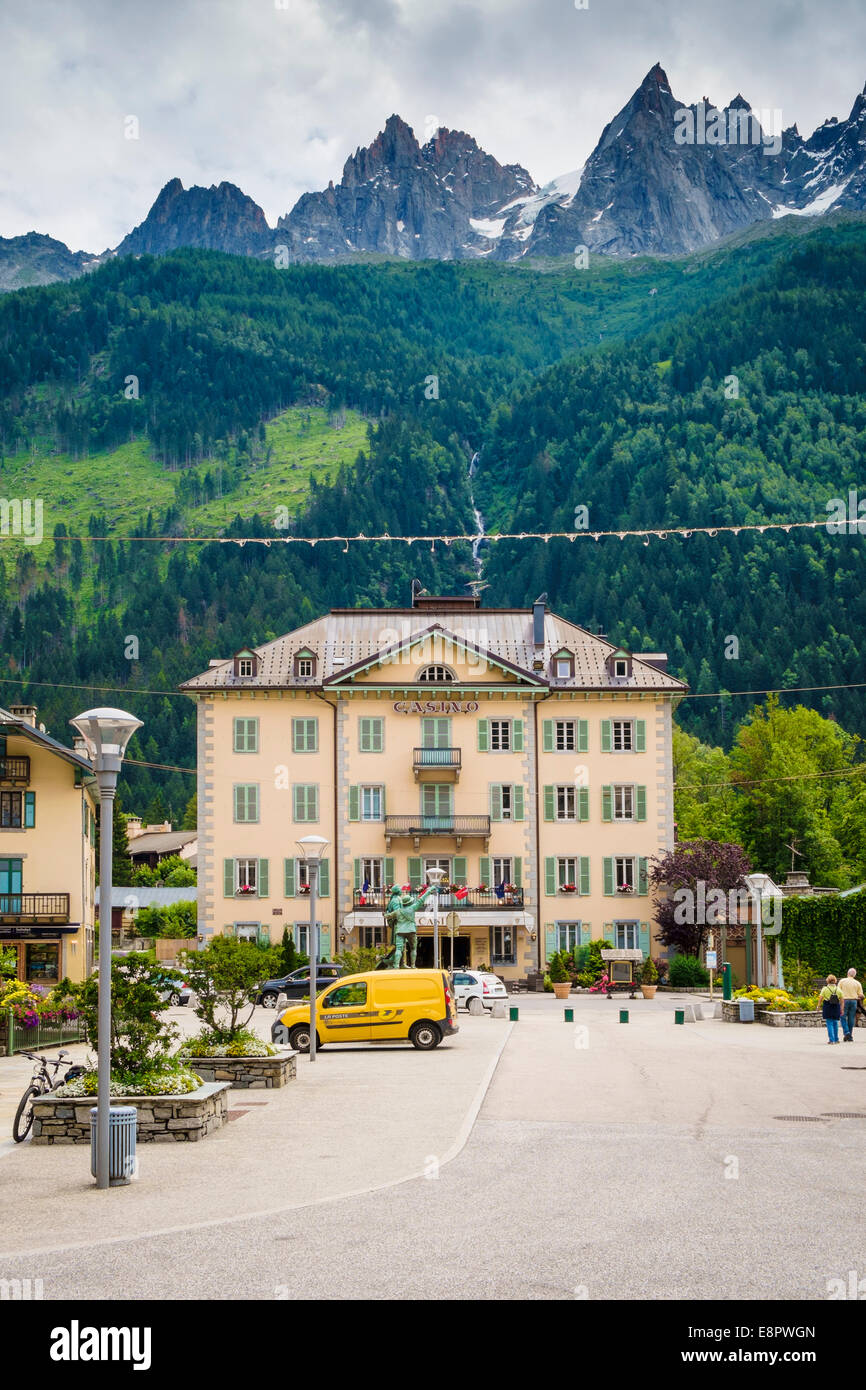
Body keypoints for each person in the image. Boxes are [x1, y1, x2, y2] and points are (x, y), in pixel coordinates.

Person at [838, 968, 864, 1042]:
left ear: (847, 973)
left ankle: (847, 1032)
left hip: (844, 1001)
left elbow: (838, 991)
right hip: (854, 1001)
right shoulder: (857, 983)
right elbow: (861, 995)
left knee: (842, 1017)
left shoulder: (842, 981)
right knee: (851, 1018)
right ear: (854, 975)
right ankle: (849, 1036)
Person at [819, 975, 843, 1044]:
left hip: (827, 1006)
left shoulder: (825, 989)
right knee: (835, 1023)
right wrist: (842, 1008)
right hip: (836, 1006)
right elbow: (842, 1000)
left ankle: (831, 1040)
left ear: (827, 980)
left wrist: (818, 1006)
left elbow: (820, 998)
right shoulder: (838, 989)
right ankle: (836, 1039)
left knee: (829, 1023)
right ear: (835, 981)